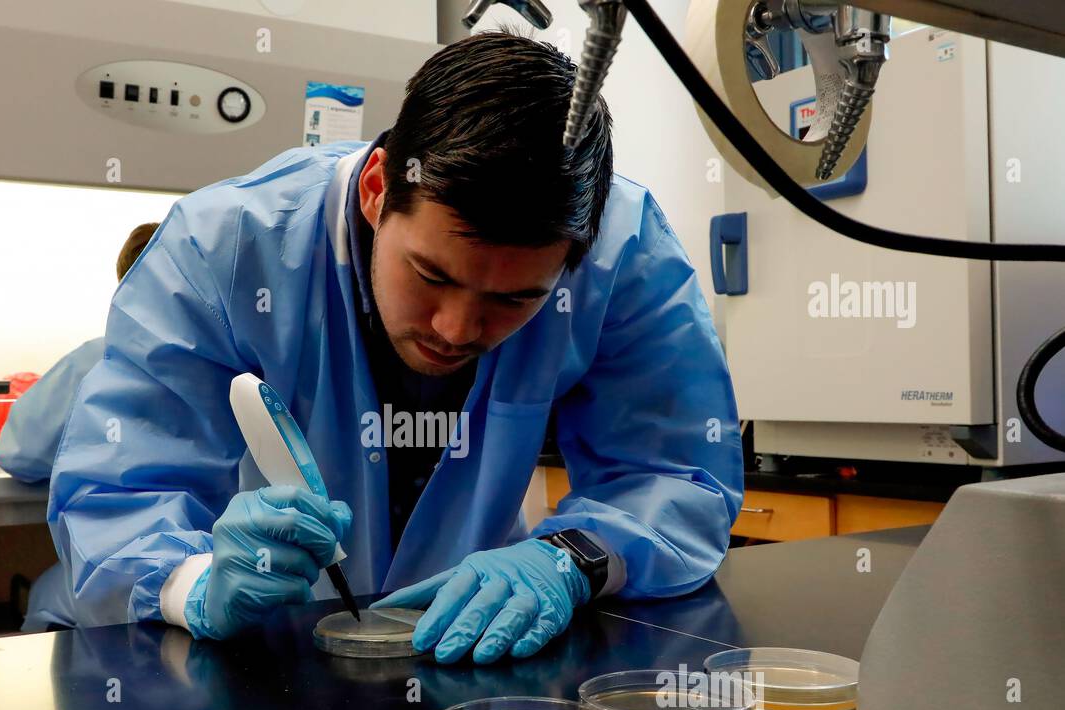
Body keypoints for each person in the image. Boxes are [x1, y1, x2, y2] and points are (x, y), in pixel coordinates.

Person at [47, 31, 744, 665]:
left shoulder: (622, 253)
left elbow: (676, 474)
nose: (457, 330)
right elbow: (120, 496)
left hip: (478, 656)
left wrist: (572, 557)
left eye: (514, 299)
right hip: (264, 660)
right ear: (378, 189)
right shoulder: (222, 247)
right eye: (431, 276)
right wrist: (197, 583)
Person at [0, 222, 159, 630]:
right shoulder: (235, 364)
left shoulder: (97, 359)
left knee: (50, 594)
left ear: (125, 287)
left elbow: (19, 454)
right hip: (212, 566)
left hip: (122, 575)